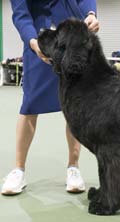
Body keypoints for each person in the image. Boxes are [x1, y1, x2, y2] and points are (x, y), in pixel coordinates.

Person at [1, 0, 100, 195]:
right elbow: (21, 15)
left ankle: (73, 167)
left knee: (73, 107)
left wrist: (91, 14)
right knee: (29, 105)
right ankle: (18, 170)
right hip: (41, 41)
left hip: (74, 40)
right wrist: (32, 42)